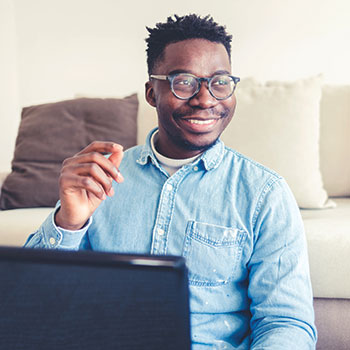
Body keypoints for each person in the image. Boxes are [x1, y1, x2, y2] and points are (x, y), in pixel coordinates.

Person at [25, 14, 317, 349]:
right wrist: (69, 222)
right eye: (184, 82)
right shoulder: (101, 181)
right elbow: (34, 301)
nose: (206, 99)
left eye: (219, 82)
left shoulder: (265, 193)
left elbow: (286, 323)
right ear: (152, 92)